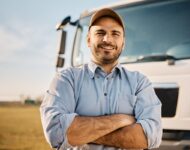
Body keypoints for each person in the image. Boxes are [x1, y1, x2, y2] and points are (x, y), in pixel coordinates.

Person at [40, 8, 162, 150]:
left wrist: (81, 134)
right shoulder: (66, 79)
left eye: (115, 33)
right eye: (100, 33)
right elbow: (56, 134)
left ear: (123, 42)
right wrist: (122, 120)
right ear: (88, 39)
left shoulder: (140, 83)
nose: (107, 39)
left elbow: (150, 137)